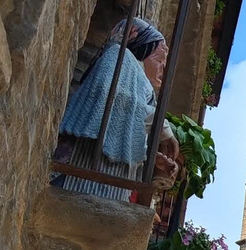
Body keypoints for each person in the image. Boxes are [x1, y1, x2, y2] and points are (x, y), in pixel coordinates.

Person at [52, 17, 179, 201]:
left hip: (102, 186)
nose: (164, 66)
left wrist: (154, 160)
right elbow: (113, 98)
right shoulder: (119, 57)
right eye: (159, 58)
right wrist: (162, 127)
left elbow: (120, 133)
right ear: (142, 49)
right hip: (76, 175)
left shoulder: (141, 87)